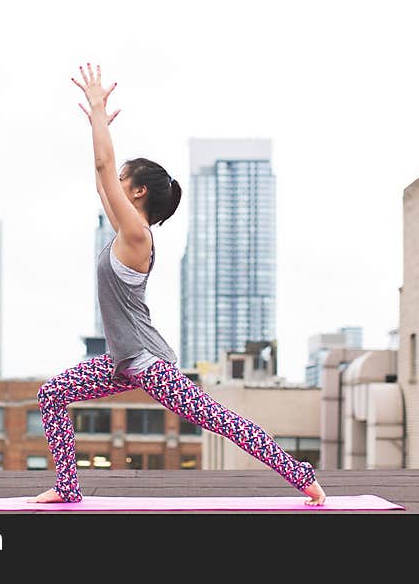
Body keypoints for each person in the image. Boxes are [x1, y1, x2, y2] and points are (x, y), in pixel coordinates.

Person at [30, 62, 326, 506]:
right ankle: (68, 489)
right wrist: (98, 129)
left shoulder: (135, 237)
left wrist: (96, 113)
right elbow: (101, 178)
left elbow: (103, 165)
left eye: (123, 179)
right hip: (119, 361)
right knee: (52, 393)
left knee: (220, 420)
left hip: (148, 363)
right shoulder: (125, 231)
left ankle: (301, 475)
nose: (114, 182)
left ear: (137, 193)